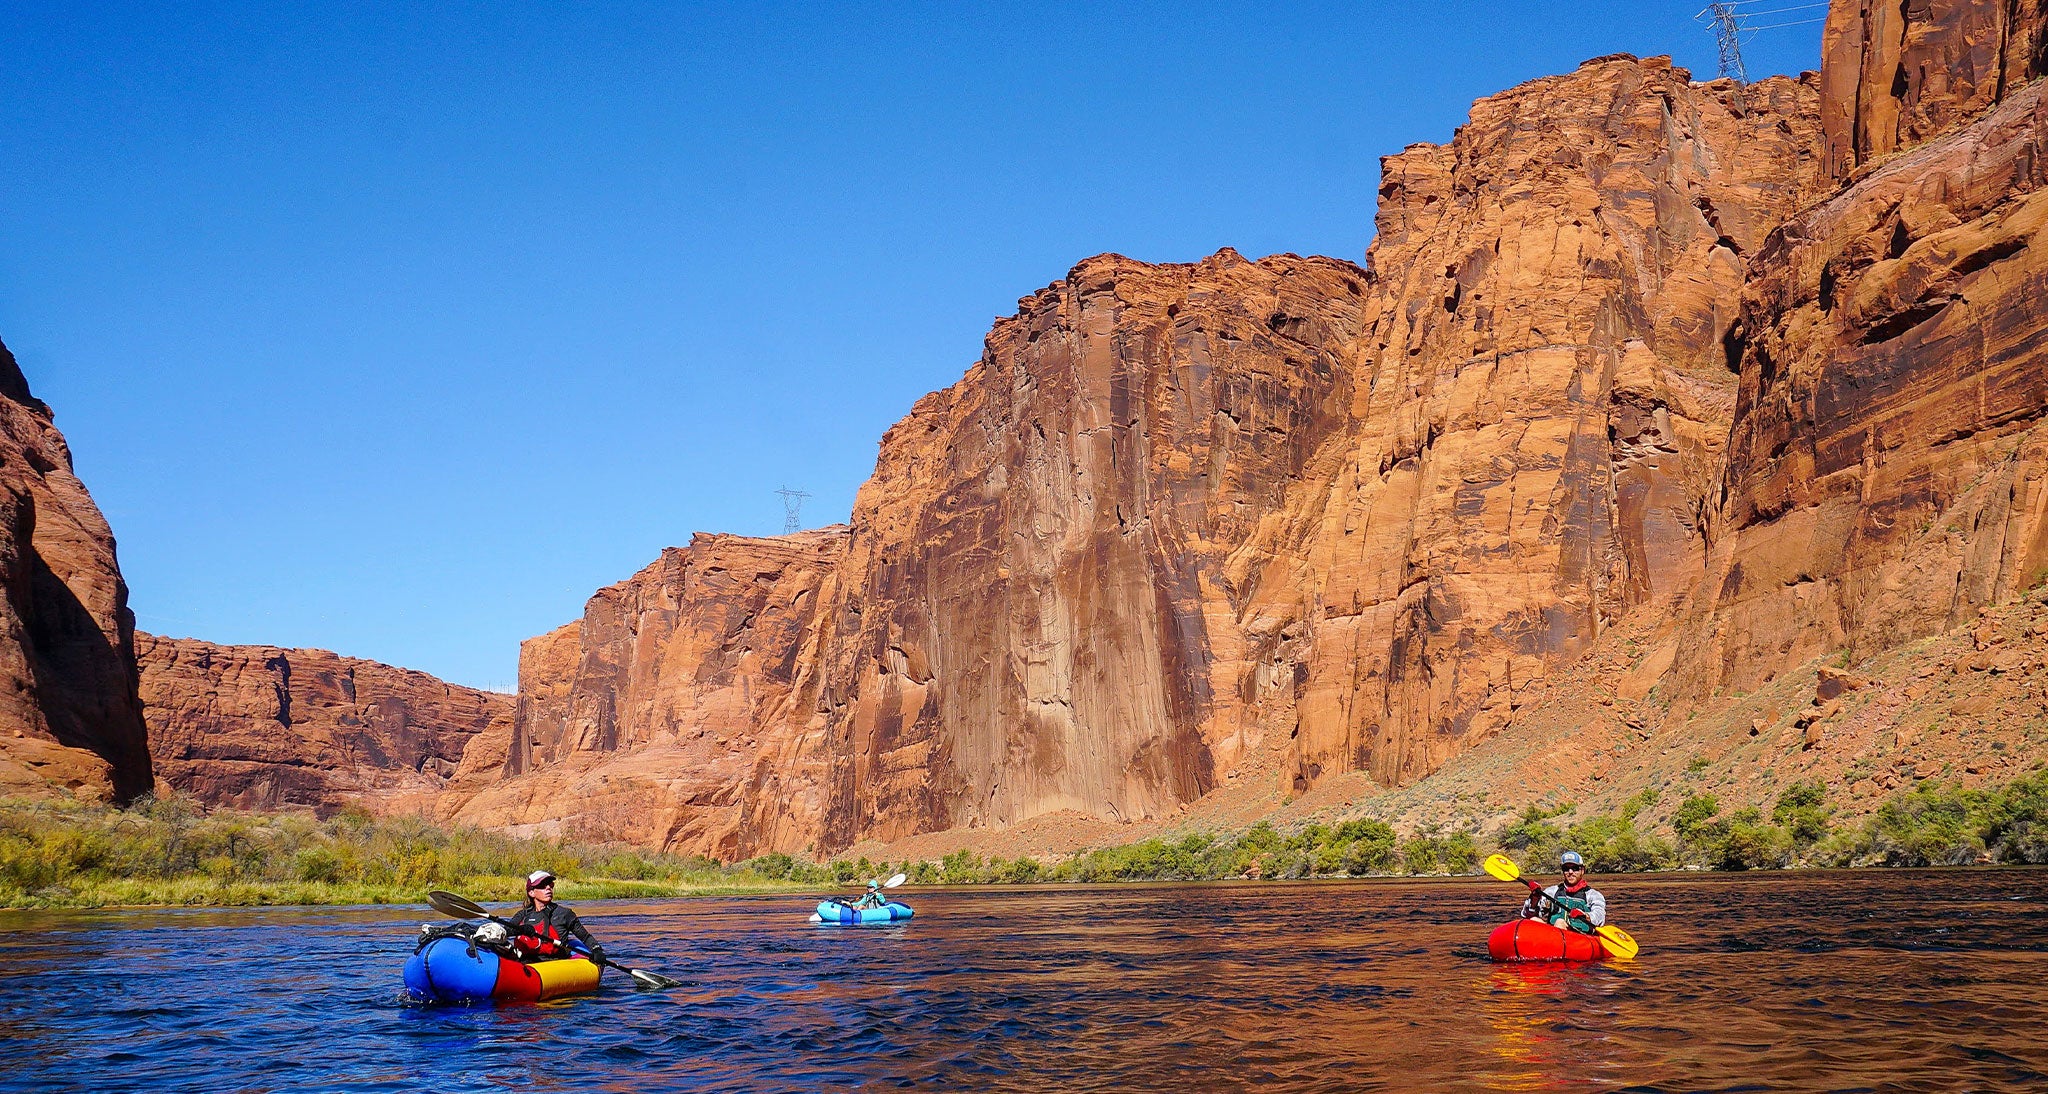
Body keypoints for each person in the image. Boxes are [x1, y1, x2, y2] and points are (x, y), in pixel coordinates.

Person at [508, 869, 607, 966]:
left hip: (555, 964)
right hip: (528, 963)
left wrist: (597, 950)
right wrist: (519, 930)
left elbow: (585, 937)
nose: (548, 888)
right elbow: (508, 930)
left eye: (550, 885)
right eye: (543, 885)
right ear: (531, 893)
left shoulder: (564, 914)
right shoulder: (522, 914)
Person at [1519, 851, 1606, 934]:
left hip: (1580, 937)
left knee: (1559, 923)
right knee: (1533, 920)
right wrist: (1534, 898)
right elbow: (1526, 915)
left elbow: (1600, 916)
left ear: (1582, 870)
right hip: (1555, 936)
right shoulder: (1552, 892)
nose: (1570, 872)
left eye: (1575, 868)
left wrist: (1585, 915)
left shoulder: (1593, 895)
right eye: (1566, 869)